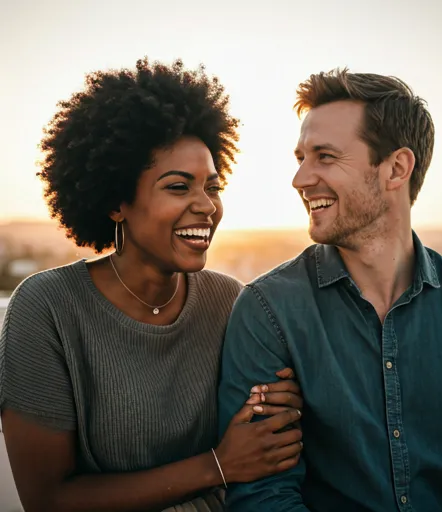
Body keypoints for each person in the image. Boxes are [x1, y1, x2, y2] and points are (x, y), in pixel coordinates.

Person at [0, 57, 303, 512]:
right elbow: (48, 500)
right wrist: (217, 466)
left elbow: (262, 433)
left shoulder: (229, 302)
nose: (206, 206)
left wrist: (285, 398)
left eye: (212, 187)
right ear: (117, 201)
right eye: (179, 187)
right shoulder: (47, 309)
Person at [218, 68, 442, 511]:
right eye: (300, 157)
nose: (300, 179)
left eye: (325, 157)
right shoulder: (268, 310)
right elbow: (263, 496)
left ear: (396, 168)